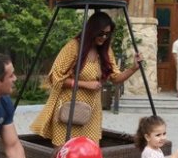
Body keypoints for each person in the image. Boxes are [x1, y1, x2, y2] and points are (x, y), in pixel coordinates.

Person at [31, 11, 142, 145]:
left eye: (107, 34)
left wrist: (133, 68)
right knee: (64, 150)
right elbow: (55, 77)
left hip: (91, 112)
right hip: (70, 109)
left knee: (89, 149)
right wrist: (85, 84)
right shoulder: (74, 46)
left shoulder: (105, 50)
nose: (104, 37)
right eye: (101, 33)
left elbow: (116, 78)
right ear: (92, 30)